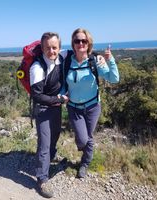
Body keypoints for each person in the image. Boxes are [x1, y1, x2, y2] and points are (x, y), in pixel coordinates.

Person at [63, 28, 119, 178]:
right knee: (83, 140)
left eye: (84, 40)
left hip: (93, 107)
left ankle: (85, 164)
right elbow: (63, 83)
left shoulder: (96, 61)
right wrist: (62, 94)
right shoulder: (67, 61)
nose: (80, 43)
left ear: (89, 43)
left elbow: (114, 79)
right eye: (77, 41)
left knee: (87, 137)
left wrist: (110, 60)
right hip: (74, 108)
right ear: (73, 44)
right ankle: (84, 150)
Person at [30, 32, 68, 198]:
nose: (51, 51)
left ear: (59, 47)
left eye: (54, 47)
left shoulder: (61, 56)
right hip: (43, 109)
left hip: (55, 106)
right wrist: (58, 99)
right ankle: (42, 179)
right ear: (42, 48)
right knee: (44, 143)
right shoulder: (37, 67)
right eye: (47, 48)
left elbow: (80, 50)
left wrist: (99, 56)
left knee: (55, 135)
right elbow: (37, 95)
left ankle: (48, 159)